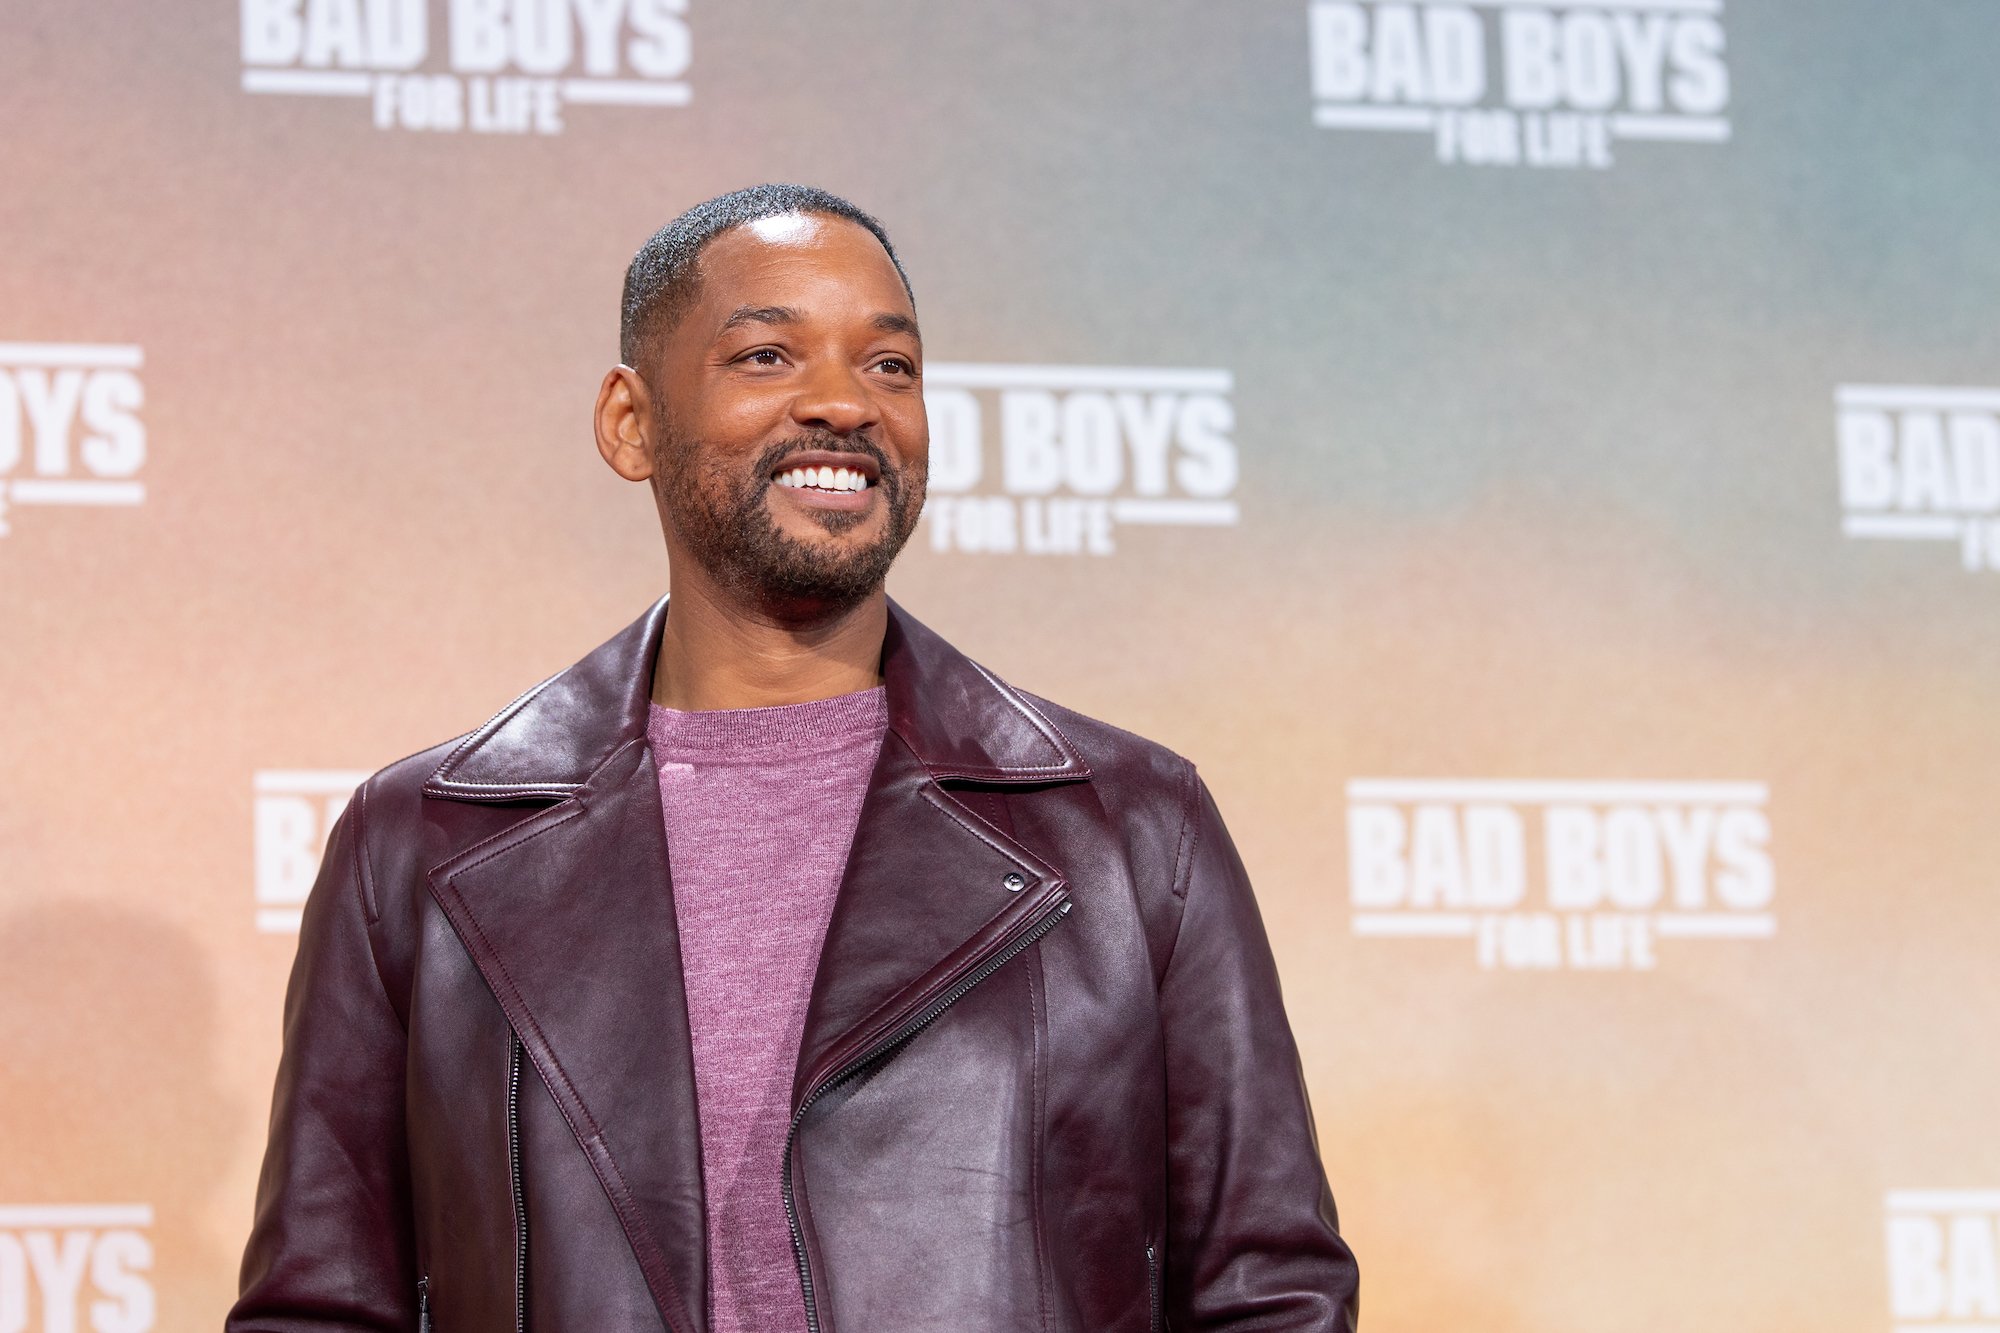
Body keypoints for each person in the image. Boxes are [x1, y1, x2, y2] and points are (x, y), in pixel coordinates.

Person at [228, 183, 1358, 1332]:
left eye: (890, 368)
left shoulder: (1132, 827)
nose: (843, 404)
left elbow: (1268, 1292)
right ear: (630, 421)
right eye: (766, 355)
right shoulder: (417, 842)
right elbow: (323, 1304)